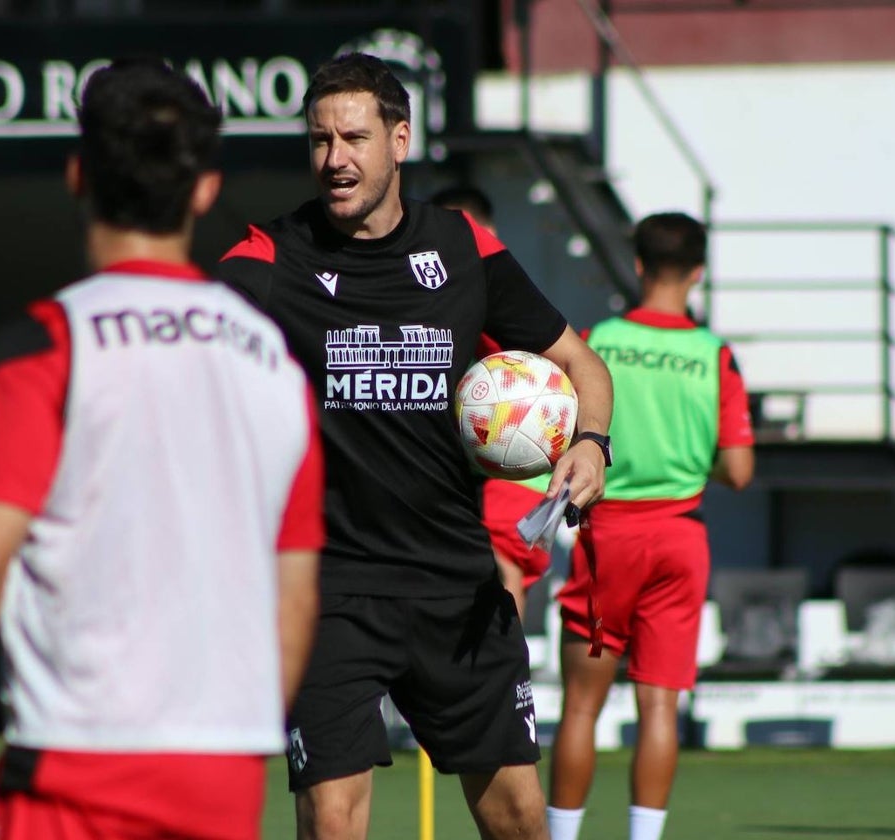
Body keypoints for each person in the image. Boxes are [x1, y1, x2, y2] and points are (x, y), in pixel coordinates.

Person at [0, 57, 325, 840]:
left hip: (74, 775)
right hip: (223, 781)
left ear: (78, 176)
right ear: (206, 189)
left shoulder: (46, 344)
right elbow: (294, 596)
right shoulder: (275, 365)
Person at [217, 53, 614, 840]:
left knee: (518, 820)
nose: (335, 160)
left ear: (400, 140)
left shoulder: (464, 246)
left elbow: (582, 364)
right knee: (332, 819)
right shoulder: (271, 256)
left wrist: (592, 444)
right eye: (320, 140)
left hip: (456, 583)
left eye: (355, 138)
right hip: (328, 588)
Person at [546, 212, 755, 840]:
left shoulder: (596, 340)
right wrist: (691, 459)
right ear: (698, 272)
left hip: (609, 537)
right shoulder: (713, 354)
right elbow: (740, 471)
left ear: (637, 264)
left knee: (581, 706)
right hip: (680, 536)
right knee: (659, 704)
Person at [429, 185, 557, 620]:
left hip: (509, 467)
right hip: (497, 475)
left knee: (499, 572)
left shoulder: (500, 303)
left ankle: (505, 681)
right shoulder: (434, 299)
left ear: (490, 234)